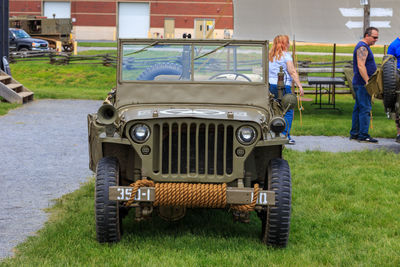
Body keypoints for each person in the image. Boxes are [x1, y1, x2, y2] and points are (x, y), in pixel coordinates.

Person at [268, 35, 304, 145]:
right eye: (288, 42)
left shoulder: (270, 55)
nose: (289, 44)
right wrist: (299, 86)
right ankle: (285, 135)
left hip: (270, 86)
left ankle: (273, 133)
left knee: (274, 109)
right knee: (288, 109)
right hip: (284, 86)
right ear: (285, 44)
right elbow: (292, 71)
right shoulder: (286, 56)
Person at [349, 27, 379, 143]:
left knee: (358, 108)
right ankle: (363, 135)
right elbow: (361, 65)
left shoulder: (364, 47)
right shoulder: (362, 47)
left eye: (377, 37)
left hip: (359, 83)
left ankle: (355, 133)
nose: (376, 40)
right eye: (374, 37)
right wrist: (368, 81)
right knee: (365, 108)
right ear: (367, 35)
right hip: (362, 84)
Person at [386, 37, 400, 143]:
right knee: (398, 106)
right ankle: (399, 133)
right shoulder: (394, 45)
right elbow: (388, 65)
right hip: (398, 77)